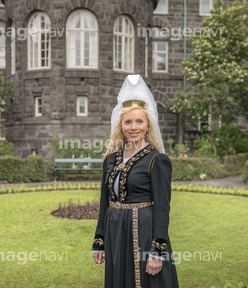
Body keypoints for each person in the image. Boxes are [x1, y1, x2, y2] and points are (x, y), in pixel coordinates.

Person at [92, 75, 179, 288]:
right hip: (115, 231)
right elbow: (105, 202)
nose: (133, 127)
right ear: (120, 125)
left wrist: (158, 251)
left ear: (148, 125)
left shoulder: (157, 160)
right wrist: (99, 241)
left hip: (144, 229)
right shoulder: (111, 159)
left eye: (139, 121)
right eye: (128, 121)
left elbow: (162, 208)